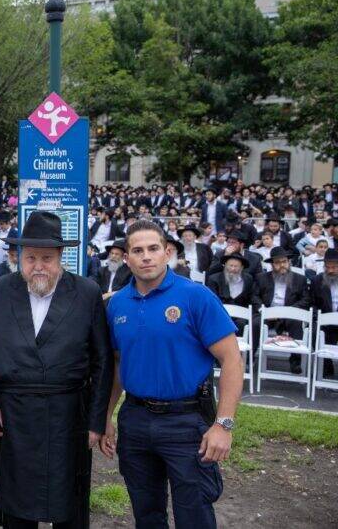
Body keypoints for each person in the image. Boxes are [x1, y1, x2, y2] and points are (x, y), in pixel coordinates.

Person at [0, 211, 113, 528]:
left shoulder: (87, 292)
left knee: (69, 502)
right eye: (31, 257)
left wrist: (96, 421)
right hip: (13, 415)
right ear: (20, 256)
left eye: (46, 258)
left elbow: (102, 361)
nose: (38, 266)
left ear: (61, 256)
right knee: (16, 505)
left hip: (69, 416)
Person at [100, 219, 243, 529]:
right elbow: (117, 365)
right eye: (138, 251)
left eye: (153, 248)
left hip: (186, 422)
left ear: (167, 253)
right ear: (127, 258)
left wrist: (224, 425)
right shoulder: (117, 304)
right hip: (135, 420)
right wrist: (107, 416)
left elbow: (232, 360)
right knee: (146, 514)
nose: (146, 257)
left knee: (194, 515)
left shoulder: (196, 296)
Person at [252, 246, 311, 373]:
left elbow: (306, 300)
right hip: (268, 314)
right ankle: (249, 359)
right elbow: (254, 296)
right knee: (255, 323)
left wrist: (289, 311)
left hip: (290, 315)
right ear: (272, 264)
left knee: (296, 323)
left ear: (289, 262)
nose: (282, 265)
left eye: (284, 261)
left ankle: (295, 362)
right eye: (277, 262)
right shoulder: (262, 278)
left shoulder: (299, 279)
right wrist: (263, 310)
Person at [309, 248, 338, 378]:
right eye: (328, 267)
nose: (330, 270)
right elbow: (312, 303)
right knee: (314, 331)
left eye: (334, 267)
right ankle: (326, 366)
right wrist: (319, 317)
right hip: (324, 321)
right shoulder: (317, 280)